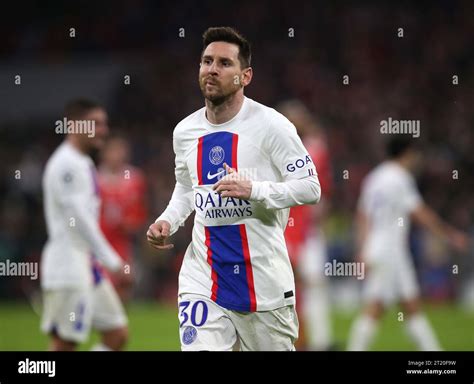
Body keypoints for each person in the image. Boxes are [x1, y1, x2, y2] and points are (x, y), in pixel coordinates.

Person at [147, 27, 321, 351]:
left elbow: (310, 187)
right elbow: (187, 187)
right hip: (204, 275)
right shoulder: (185, 132)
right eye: (206, 61)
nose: (212, 69)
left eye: (225, 63)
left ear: (245, 76)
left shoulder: (273, 126)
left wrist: (254, 189)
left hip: (263, 283)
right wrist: (168, 220)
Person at [347, 135, 468, 351]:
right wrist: (449, 235)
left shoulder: (374, 178)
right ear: (407, 153)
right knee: (376, 307)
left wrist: (363, 249)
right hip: (389, 251)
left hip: (383, 249)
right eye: (414, 153)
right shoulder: (400, 178)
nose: (417, 158)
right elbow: (420, 213)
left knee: (411, 306)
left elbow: (362, 216)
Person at [41, 99, 128, 351]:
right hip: (67, 266)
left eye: (104, 123)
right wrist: (114, 262)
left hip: (87, 265)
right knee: (65, 343)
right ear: (74, 125)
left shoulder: (84, 162)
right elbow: (79, 221)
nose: (103, 130)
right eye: (96, 123)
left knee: (117, 333)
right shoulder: (65, 164)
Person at [278, 100, 334, 351]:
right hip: (284, 229)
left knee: (314, 284)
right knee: (287, 287)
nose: (293, 122)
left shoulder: (314, 149)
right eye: (288, 118)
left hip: (308, 231)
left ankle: (319, 341)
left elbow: (324, 192)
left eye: (297, 118)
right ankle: (292, 340)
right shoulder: (276, 149)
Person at [98, 136, 147, 302]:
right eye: (113, 151)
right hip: (100, 242)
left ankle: (120, 320)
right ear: (105, 154)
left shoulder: (134, 178)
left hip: (125, 243)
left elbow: (140, 212)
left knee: (125, 282)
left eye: (120, 151)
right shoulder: (94, 178)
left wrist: (129, 223)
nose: (117, 155)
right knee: (102, 286)